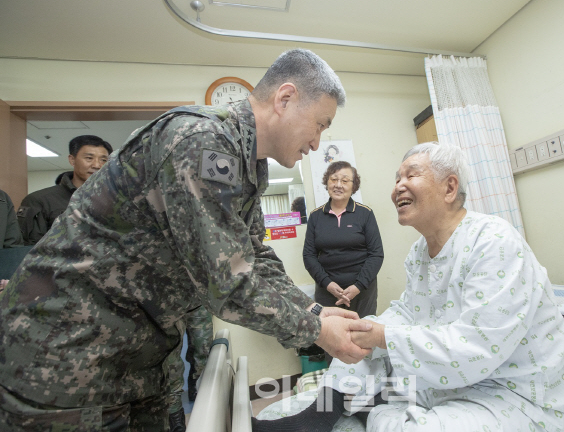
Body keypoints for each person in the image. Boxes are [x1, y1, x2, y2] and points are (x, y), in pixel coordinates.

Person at [0, 49, 372, 431]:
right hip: (66, 355)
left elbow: (253, 255)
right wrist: (318, 332)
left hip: (129, 356)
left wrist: (312, 311)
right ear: (286, 98)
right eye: (320, 124)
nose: (317, 142)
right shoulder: (201, 140)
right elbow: (226, 282)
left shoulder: (248, 163)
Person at [253, 142, 564, 432]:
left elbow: (476, 347)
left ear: (449, 188)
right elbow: (409, 312)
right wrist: (366, 329)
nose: (398, 186)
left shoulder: (494, 242)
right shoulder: (419, 252)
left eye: (410, 175)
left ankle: (368, 408)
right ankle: (317, 417)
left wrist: (383, 334)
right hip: (447, 381)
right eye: (397, 178)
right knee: (359, 343)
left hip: (507, 390)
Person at [303, 161, 383, 320]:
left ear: (353, 186)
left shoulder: (365, 213)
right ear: (327, 183)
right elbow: (309, 256)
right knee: (329, 339)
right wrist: (328, 284)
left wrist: (357, 286)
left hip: (362, 291)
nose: (338, 185)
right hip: (327, 292)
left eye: (345, 180)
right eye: (333, 179)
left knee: (362, 336)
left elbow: (376, 254)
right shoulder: (315, 216)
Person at [16, 134, 113, 245]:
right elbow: (27, 249)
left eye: (103, 160)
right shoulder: (40, 200)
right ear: (72, 160)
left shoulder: (116, 199)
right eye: (89, 158)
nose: (97, 165)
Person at [166, 306, 213, 432]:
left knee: (203, 348)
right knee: (172, 363)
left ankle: (197, 390)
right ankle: (176, 419)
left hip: (196, 297)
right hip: (168, 301)